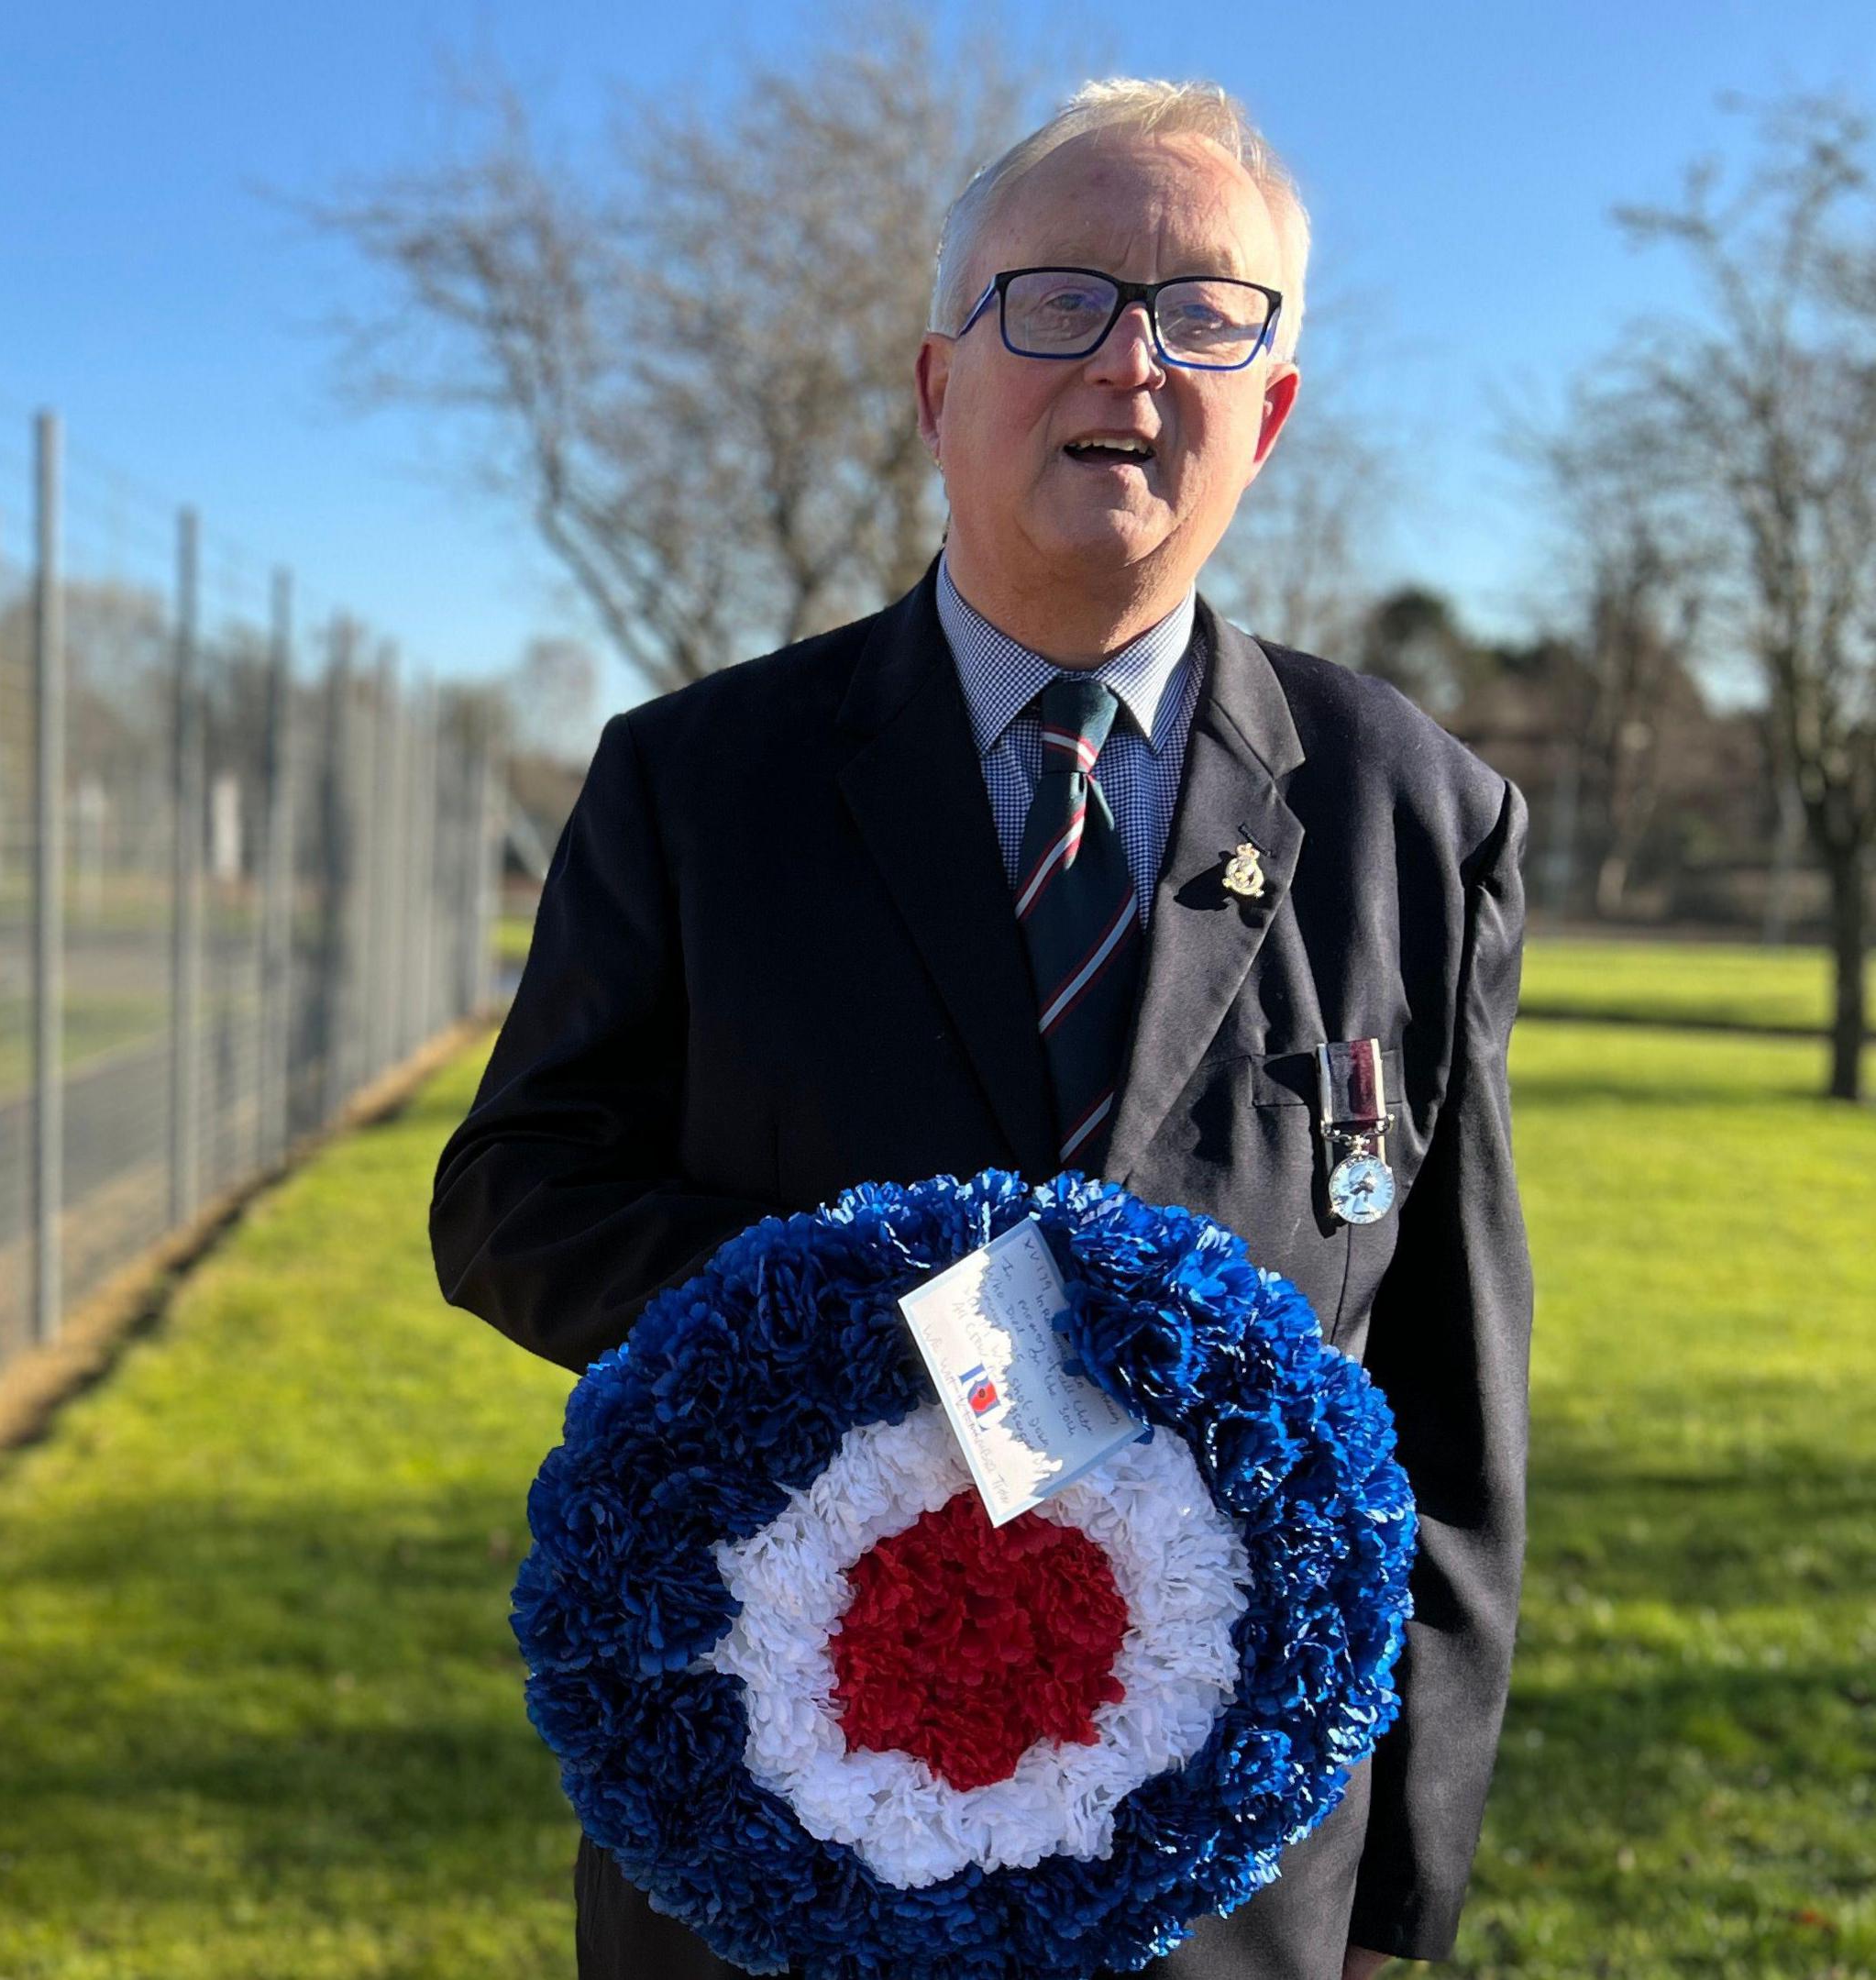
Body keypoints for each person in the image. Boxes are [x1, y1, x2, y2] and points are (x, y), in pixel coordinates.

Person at [429, 79, 1530, 1980]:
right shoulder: (698, 782)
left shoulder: (1417, 815)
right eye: (1062, 298)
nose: (1131, 356)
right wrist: (884, 1325)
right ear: (940, 384)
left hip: (1231, 1886)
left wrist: (1399, 1914)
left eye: (1207, 316)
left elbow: (1446, 1382)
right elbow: (513, 1199)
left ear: (1265, 416)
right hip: (776, 1839)